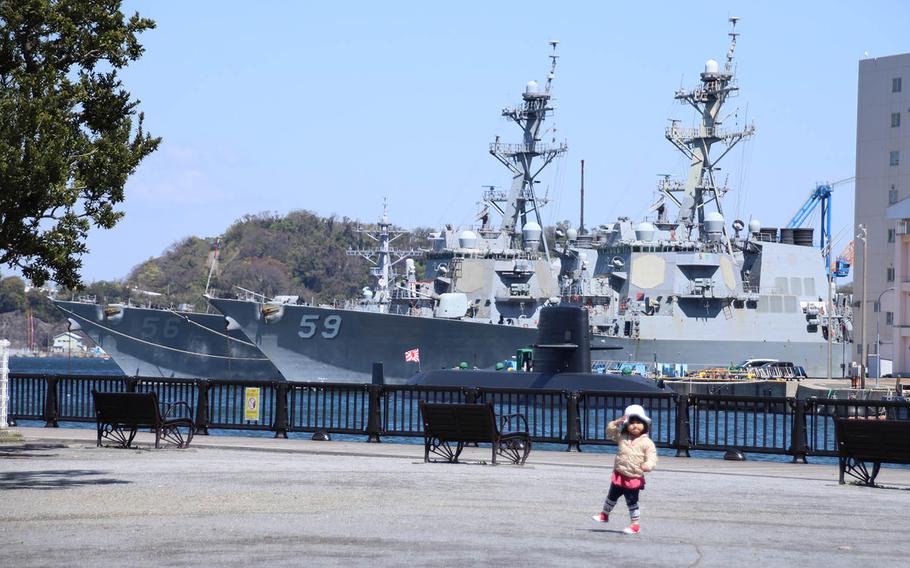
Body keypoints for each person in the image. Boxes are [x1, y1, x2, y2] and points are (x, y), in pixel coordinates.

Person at [591, 404, 657, 535]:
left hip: (633, 476)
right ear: (627, 425)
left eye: (639, 423)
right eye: (632, 423)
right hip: (619, 474)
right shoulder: (622, 437)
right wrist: (615, 422)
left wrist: (647, 465)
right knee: (611, 497)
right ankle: (604, 514)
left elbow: (652, 456)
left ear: (645, 425)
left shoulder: (647, 442)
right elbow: (610, 433)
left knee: (632, 502)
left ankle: (635, 525)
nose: (635, 426)